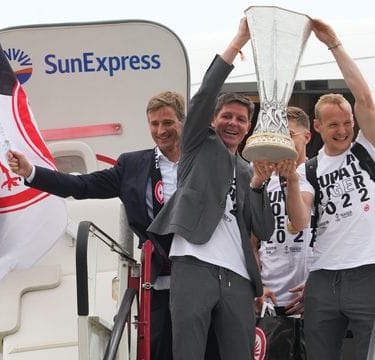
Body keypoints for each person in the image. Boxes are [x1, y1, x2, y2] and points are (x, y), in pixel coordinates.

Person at [7, 91, 185, 360]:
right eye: (154, 124)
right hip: (158, 280)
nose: (161, 130)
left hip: (200, 275)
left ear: (182, 122)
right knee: (158, 348)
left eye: (168, 122)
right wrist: (32, 172)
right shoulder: (132, 165)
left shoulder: (200, 162)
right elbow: (82, 186)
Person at [147, 17, 274, 360]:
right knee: (188, 352)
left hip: (238, 274)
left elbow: (265, 229)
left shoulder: (250, 170)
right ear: (213, 120)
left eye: (241, 119)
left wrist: (261, 185)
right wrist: (238, 41)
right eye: (227, 116)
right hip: (194, 262)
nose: (233, 123)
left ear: (248, 129)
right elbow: (204, 94)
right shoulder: (197, 145)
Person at [283, 19, 375, 360]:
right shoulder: (309, 169)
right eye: (333, 125)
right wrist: (291, 180)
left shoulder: (368, 149)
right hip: (324, 277)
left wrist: (334, 45)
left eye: (347, 123)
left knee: (369, 353)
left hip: (369, 271)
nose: (342, 130)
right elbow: (299, 222)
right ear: (317, 127)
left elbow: (364, 96)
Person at [253, 106, 313, 360]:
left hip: (309, 300)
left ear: (306, 136)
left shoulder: (316, 173)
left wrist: (318, 285)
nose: (284, 144)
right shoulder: (263, 179)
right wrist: (258, 284)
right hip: (270, 303)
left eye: (290, 135)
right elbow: (251, 242)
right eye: (280, 137)